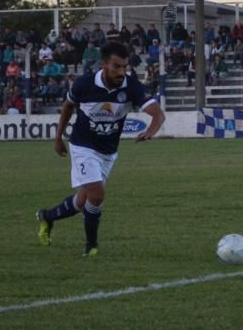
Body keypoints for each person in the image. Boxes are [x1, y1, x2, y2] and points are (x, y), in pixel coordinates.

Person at [35, 42, 166, 256]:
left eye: (124, 67)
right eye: (116, 66)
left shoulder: (131, 86)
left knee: (82, 200)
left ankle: (47, 217)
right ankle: (91, 247)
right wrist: (58, 137)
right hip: (83, 145)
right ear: (103, 64)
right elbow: (68, 106)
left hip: (108, 151)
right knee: (96, 195)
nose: (121, 72)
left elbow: (158, 114)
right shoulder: (84, 84)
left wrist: (151, 130)